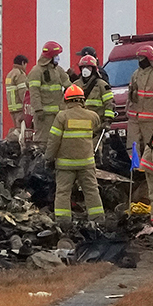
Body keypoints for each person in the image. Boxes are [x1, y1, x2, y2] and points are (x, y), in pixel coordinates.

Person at [45, 83, 104, 223]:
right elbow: (96, 133)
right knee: (91, 191)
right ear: (82, 100)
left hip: (65, 165)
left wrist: (49, 158)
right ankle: (98, 220)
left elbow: (54, 140)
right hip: (86, 164)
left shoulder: (61, 117)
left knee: (63, 192)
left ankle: (63, 222)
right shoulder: (92, 116)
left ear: (66, 101)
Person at [125, 45, 153, 160]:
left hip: (150, 119)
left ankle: (148, 167)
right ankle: (134, 166)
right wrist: (127, 110)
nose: (140, 61)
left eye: (142, 58)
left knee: (149, 146)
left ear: (149, 59)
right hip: (134, 118)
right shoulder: (135, 74)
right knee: (132, 144)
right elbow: (130, 94)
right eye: (139, 58)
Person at [27, 41, 70, 147]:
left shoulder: (58, 70)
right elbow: (34, 92)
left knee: (58, 140)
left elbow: (69, 85)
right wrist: (38, 109)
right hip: (44, 115)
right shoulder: (36, 71)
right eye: (56, 55)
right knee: (43, 141)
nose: (58, 58)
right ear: (51, 57)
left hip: (58, 114)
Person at [74, 54, 115, 129]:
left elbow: (109, 104)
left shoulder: (102, 85)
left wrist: (107, 120)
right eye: (83, 67)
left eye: (88, 67)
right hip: (79, 124)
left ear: (93, 69)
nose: (85, 69)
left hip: (96, 124)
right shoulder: (75, 85)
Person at [5, 54, 30, 142]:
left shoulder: (10, 74)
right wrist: (27, 106)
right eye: (26, 64)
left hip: (12, 108)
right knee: (20, 131)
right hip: (20, 108)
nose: (26, 67)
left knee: (16, 128)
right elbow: (23, 93)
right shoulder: (20, 74)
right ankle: (9, 142)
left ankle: (9, 142)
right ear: (23, 63)